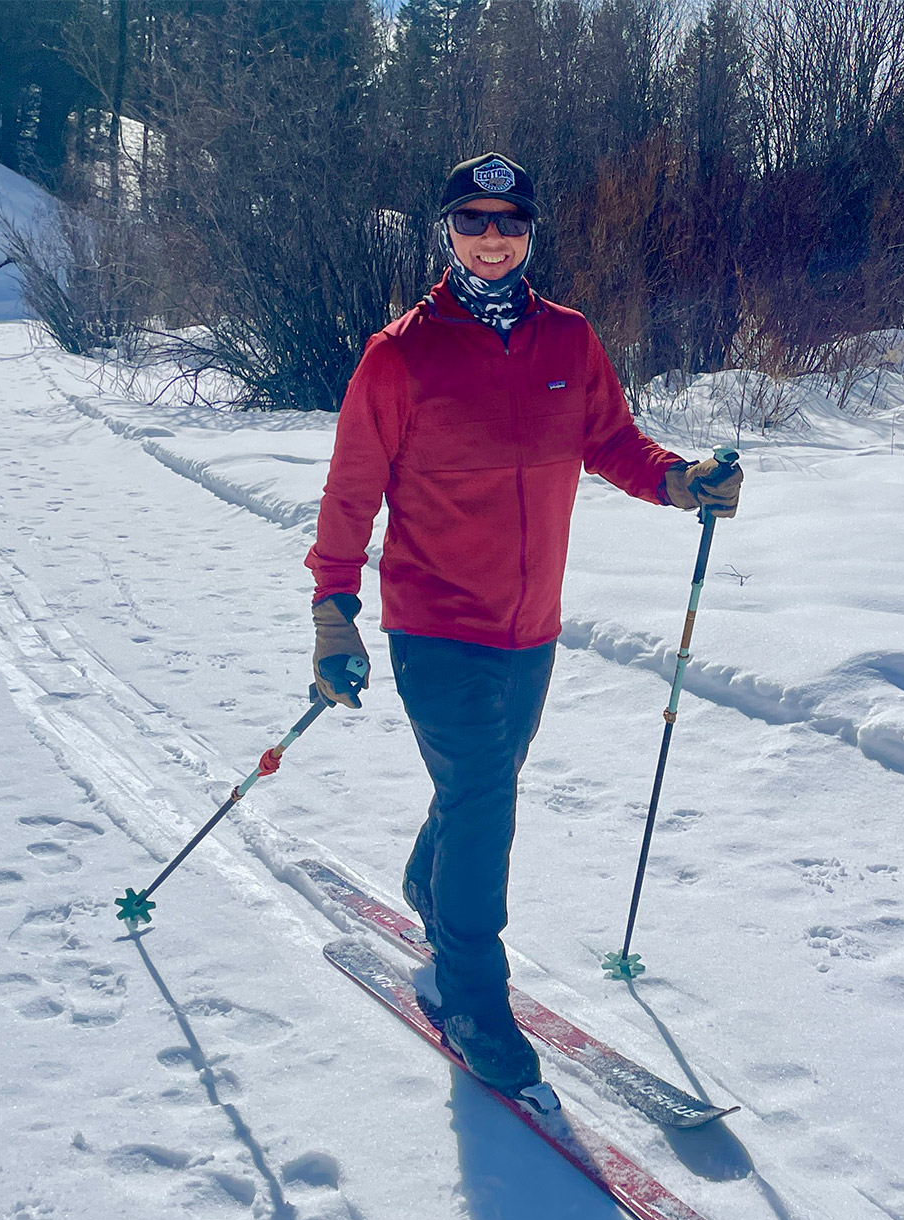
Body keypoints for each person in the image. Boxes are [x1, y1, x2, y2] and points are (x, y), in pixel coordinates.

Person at [305, 152, 742, 1096]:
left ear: (530, 233)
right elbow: (350, 496)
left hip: (532, 627)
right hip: (436, 623)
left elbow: (612, 440)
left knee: (483, 784)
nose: (491, 238)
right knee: (484, 804)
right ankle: (472, 993)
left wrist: (678, 479)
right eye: (472, 221)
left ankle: (430, 885)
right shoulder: (399, 354)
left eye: (508, 222)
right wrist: (333, 612)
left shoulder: (569, 341)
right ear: (447, 232)